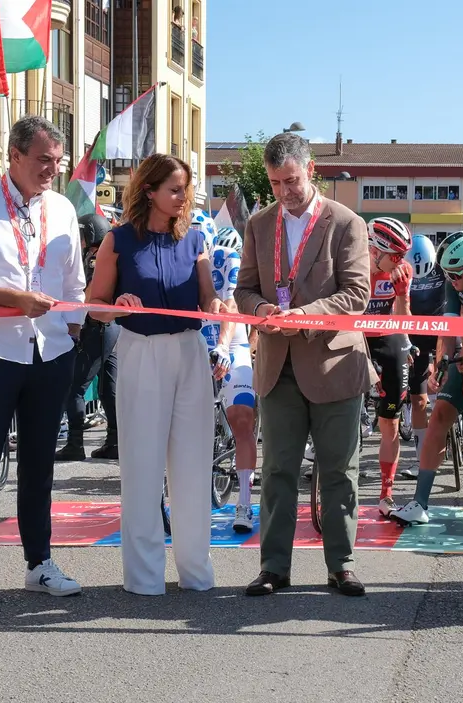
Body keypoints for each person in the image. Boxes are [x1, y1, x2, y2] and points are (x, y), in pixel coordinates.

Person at [0, 116, 87, 611]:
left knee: (40, 468)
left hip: (51, 354)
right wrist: (13, 299)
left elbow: (74, 285)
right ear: (15, 156)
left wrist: (73, 332)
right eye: (44, 159)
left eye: (58, 160)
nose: (53, 168)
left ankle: (39, 564)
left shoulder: (64, 208)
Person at [234, 132, 373, 597]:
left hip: (333, 362)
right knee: (277, 471)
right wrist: (260, 312)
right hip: (277, 364)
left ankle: (342, 564)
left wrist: (304, 317)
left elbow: (357, 293)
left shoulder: (347, 223)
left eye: (290, 180)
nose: (283, 192)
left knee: (338, 469)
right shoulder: (259, 225)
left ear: (310, 170)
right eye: (275, 183)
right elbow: (245, 289)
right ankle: (274, 566)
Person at [88, 153, 224, 596]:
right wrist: (117, 305)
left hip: (189, 351)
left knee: (192, 465)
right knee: (142, 466)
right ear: (148, 190)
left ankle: (195, 572)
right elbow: (95, 306)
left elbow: (208, 302)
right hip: (139, 353)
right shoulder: (118, 240)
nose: (183, 197)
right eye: (175, 189)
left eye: (185, 188)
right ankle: (144, 579)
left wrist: (220, 309)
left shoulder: (197, 240)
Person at [393, 230, 463, 524]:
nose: (452, 281)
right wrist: (443, 362)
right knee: (440, 413)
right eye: (448, 275)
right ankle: (420, 502)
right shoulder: (454, 286)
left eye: (457, 275)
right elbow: (451, 325)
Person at [200, 225, 258, 533]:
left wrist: (222, 346)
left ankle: (245, 504)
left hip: (232, 341)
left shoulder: (225, 257)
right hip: (195, 340)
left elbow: (233, 305)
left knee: (242, 418)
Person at [55, 213, 120, 461]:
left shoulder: (95, 258)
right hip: (112, 328)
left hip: (96, 327)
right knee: (108, 389)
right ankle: (114, 441)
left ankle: (74, 443)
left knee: (75, 387)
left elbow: (90, 293)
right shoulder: (105, 253)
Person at [362, 216, 414, 517]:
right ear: (373, 250)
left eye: (402, 256)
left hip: (387, 337)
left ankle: (386, 493)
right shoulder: (352, 267)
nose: (399, 261)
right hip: (355, 338)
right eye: (394, 255)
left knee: (390, 422)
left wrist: (403, 294)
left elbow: (404, 319)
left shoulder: (402, 270)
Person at [400, 233, 445, 479]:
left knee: (444, 394)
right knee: (418, 401)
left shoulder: (442, 269)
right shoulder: (400, 268)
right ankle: (421, 459)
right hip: (414, 335)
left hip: (442, 331)